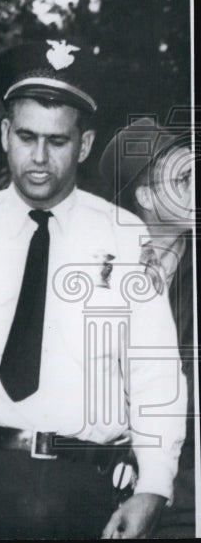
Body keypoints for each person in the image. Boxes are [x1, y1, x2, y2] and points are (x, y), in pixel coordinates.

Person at [0, 40, 187, 539]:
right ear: (3, 135)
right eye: (26, 137)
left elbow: (155, 371)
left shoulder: (124, 238)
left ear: (83, 145)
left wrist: (154, 486)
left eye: (57, 142)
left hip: (79, 490)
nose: (39, 158)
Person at [99, 117, 196, 538]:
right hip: (103, 487)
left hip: (190, 494)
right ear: (146, 196)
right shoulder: (103, 273)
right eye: (185, 177)